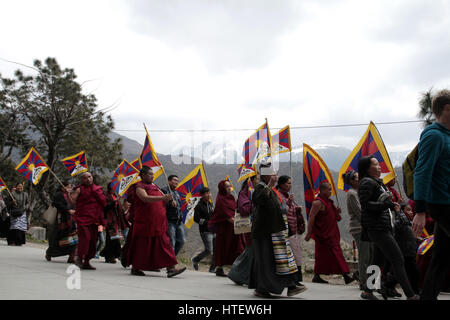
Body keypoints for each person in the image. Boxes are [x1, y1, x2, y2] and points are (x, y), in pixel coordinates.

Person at [358, 155, 419, 300]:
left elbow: (379, 203)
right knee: (398, 259)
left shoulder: (377, 183)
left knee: (377, 261)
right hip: (377, 228)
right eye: (375, 164)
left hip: (383, 226)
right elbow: (365, 205)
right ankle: (410, 295)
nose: (379, 167)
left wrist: (391, 205)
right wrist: (386, 205)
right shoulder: (367, 182)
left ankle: (367, 291)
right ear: (367, 168)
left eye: (379, 164)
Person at [412, 89, 450, 300]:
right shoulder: (434, 135)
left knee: (441, 259)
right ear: (447, 108)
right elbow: (422, 171)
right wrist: (420, 210)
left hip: (446, 201)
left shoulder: (447, 136)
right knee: (440, 259)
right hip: (441, 203)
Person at [248, 161, 306, 298]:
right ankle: (262, 289)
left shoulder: (272, 191)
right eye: (272, 173)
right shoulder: (260, 188)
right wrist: (270, 185)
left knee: (283, 260)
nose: (275, 175)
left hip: (277, 231)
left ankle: (291, 285)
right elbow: (259, 200)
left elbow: (281, 208)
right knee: (267, 262)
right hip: (265, 232)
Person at [126, 166, 186, 277]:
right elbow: (145, 198)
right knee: (143, 246)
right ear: (143, 175)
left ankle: (171, 269)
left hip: (159, 222)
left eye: (152, 174)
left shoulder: (154, 186)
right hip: (145, 222)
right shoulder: (139, 186)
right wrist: (163, 198)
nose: (152, 176)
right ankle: (136, 267)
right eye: (150, 174)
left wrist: (169, 200)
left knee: (165, 245)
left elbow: (163, 199)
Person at [305, 182, 354, 285]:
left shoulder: (329, 202)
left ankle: (317, 276)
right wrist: (308, 233)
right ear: (322, 190)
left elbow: (335, 218)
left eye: (331, 189)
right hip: (323, 234)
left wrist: (337, 212)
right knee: (336, 253)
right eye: (328, 189)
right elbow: (311, 217)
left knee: (322, 256)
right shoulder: (318, 203)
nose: (330, 191)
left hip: (332, 233)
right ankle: (346, 275)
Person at [343, 170, 377, 299]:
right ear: (351, 181)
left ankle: (372, 282)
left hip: (367, 227)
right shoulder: (351, 194)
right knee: (365, 256)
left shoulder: (360, 192)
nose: (359, 179)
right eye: (356, 178)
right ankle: (364, 282)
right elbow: (359, 211)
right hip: (359, 228)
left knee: (372, 255)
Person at [208, 180, 245, 277]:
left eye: (230, 186)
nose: (229, 188)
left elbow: (234, 211)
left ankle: (237, 269)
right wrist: (240, 224)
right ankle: (219, 268)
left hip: (233, 228)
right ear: (222, 188)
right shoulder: (220, 199)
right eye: (226, 186)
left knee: (237, 247)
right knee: (223, 247)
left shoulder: (231, 198)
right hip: (224, 229)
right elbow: (226, 215)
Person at [227, 175, 259, 286]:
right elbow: (243, 209)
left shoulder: (255, 191)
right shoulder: (244, 194)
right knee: (250, 251)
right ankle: (236, 273)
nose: (258, 181)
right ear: (251, 181)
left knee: (252, 252)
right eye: (257, 179)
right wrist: (254, 204)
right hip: (249, 226)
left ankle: (240, 275)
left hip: (257, 225)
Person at [71, 172, 107, 270]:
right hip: (83, 218)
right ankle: (79, 258)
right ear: (82, 180)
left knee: (93, 240)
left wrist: (97, 194)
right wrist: (67, 194)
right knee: (85, 238)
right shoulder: (79, 189)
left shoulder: (98, 190)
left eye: (90, 177)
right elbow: (72, 201)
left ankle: (87, 261)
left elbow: (104, 202)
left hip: (95, 219)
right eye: (85, 178)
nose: (88, 179)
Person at [276, 175, 306, 285]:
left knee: (296, 254)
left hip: (293, 231)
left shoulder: (288, 196)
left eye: (290, 183)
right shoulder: (278, 196)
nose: (290, 185)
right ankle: (293, 281)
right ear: (282, 184)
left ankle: (296, 280)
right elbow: (281, 211)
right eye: (288, 183)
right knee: (291, 256)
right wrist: (288, 203)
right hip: (285, 231)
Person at [45, 181, 77, 263]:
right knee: (58, 237)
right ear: (63, 187)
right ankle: (50, 252)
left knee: (73, 237)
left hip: (70, 220)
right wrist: (68, 210)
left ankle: (71, 256)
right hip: (61, 219)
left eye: (70, 187)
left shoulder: (70, 195)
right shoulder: (59, 194)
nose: (69, 189)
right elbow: (57, 204)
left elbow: (73, 203)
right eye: (68, 187)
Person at [191, 187, 216, 273]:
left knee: (215, 249)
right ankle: (195, 259)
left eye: (209, 193)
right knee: (209, 250)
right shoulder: (199, 206)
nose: (209, 195)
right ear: (202, 195)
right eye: (207, 193)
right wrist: (207, 222)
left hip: (213, 230)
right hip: (205, 231)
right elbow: (196, 219)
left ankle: (212, 268)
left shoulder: (210, 204)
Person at [100, 183, 125, 263]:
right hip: (109, 220)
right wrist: (114, 202)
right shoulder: (106, 196)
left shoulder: (114, 195)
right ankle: (110, 256)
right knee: (112, 239)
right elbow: (105, 207)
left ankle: (110, 255)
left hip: (116, 220)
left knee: (115, 238)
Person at [161, 175, 185, 256]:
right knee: (172, 242)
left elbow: (178, 206)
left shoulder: (176, 192)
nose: (176, 182)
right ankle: (171, 265)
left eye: (177, 180)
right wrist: (170, 203)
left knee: (182, 241)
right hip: (169, 221)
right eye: (174, 180)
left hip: (178, 221)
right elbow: (160, 205)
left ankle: (170, 259)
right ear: (169, 181)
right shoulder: (163, 191)